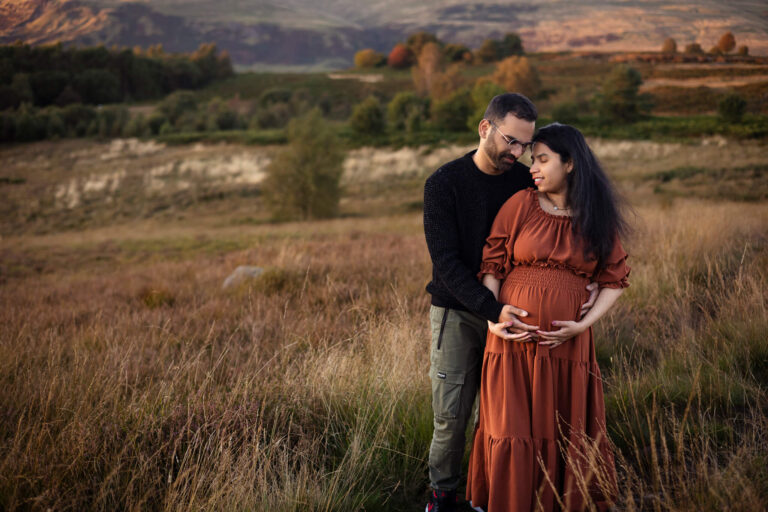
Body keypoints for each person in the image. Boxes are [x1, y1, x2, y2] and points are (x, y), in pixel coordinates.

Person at [422, 95, 598, 512]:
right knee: (452, 414)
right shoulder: (443, 183)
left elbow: (562, 224)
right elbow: (445, 263)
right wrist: (490, 311)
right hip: (460, 312)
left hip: (513, 317)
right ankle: (442, 497)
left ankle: (496, 495)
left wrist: (585, 281)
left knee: (506, 417)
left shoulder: (525, 180)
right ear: (485, 129)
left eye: (525, 145)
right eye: (510, 141)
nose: (517, 153)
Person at [465, 123, 630, 512]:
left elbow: (615, 279)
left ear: (569, 163)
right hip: (511, 342)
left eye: (542, 160)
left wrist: (582, 326)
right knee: (511, 426)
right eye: (531, 160)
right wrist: (494, 317)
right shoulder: (520, 204)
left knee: (564, 428)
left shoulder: (596, 216)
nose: (532, 168)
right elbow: (493, 263)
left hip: (567, 345)